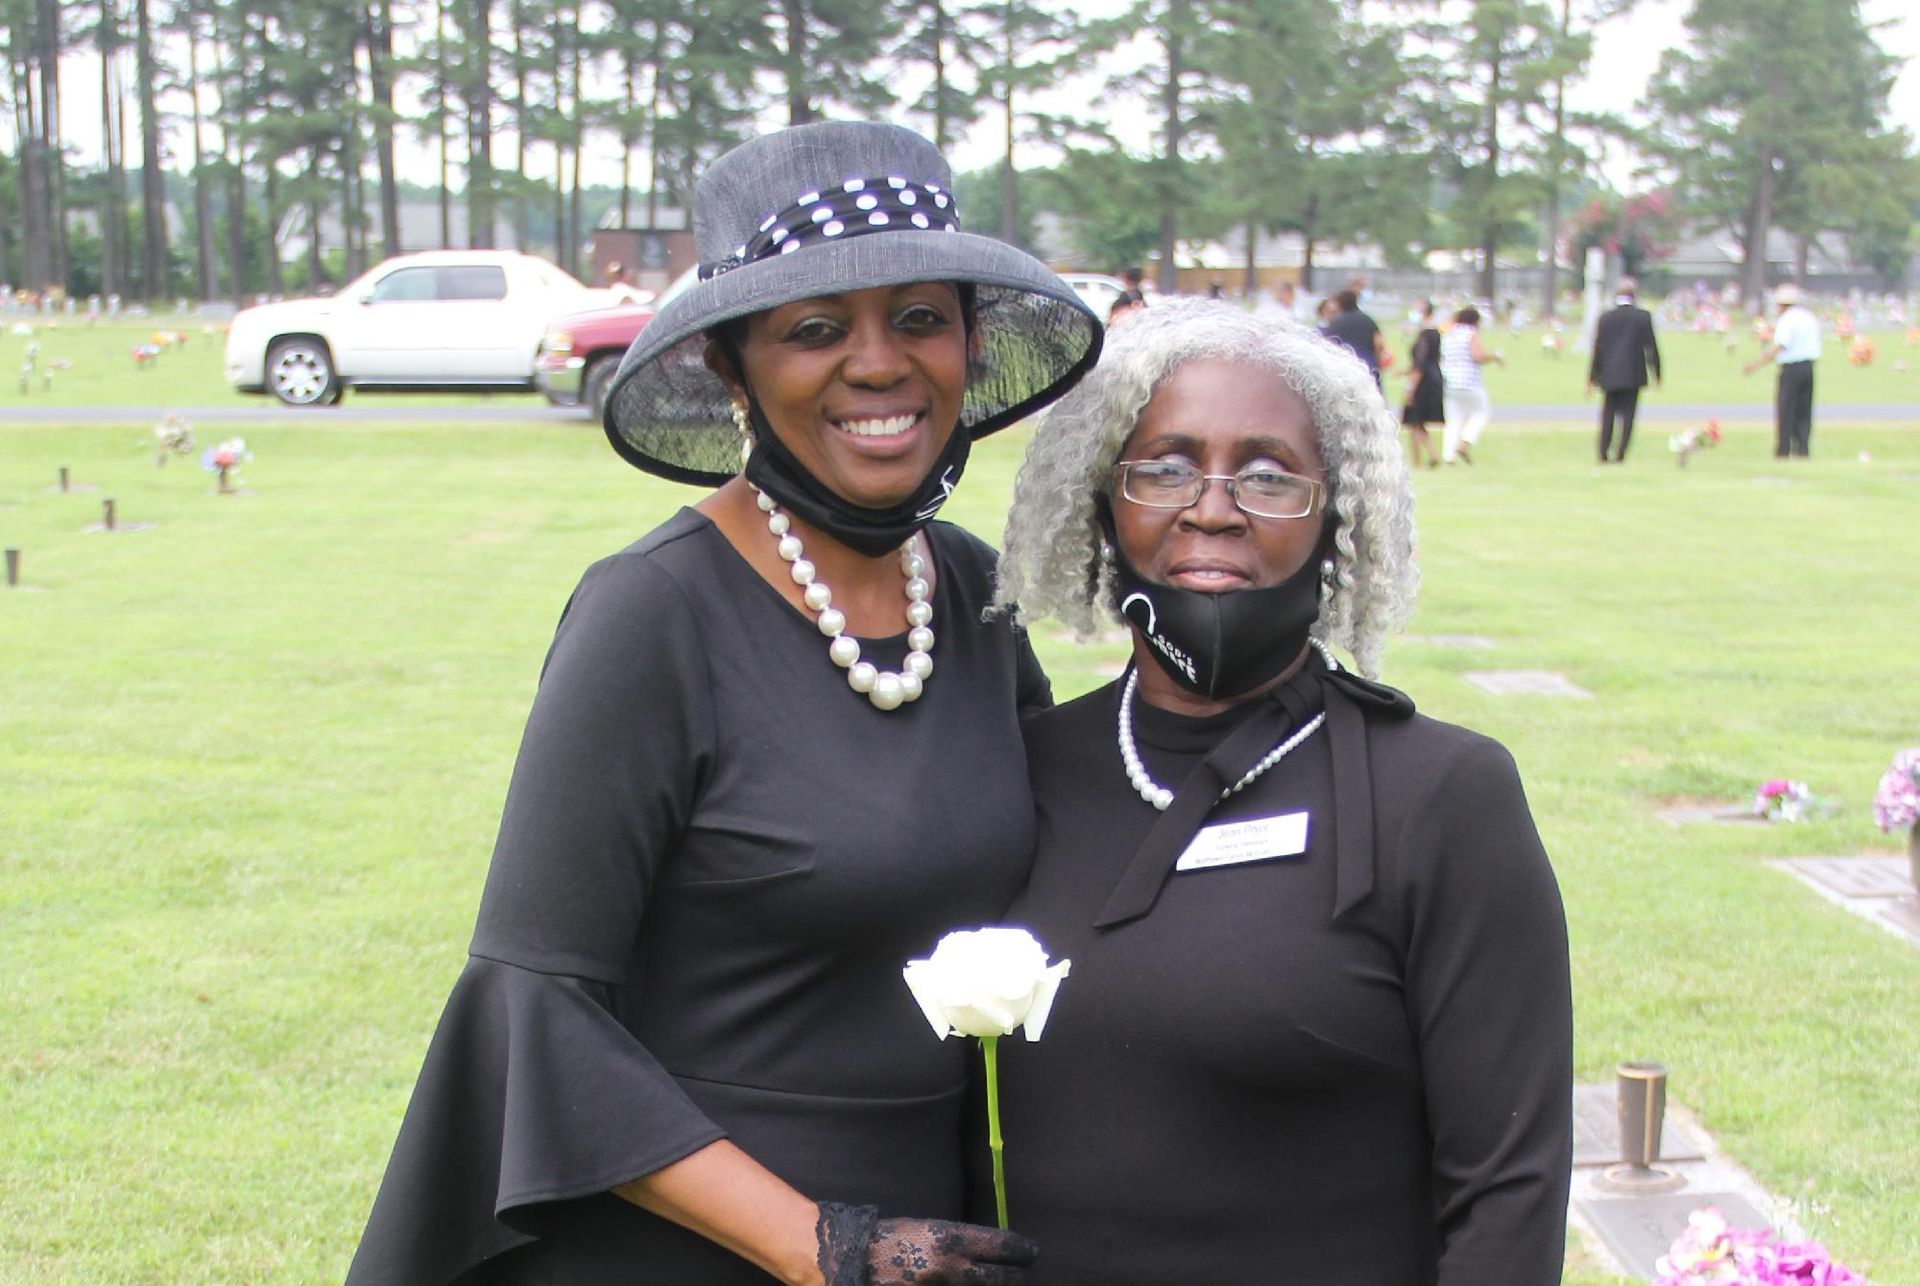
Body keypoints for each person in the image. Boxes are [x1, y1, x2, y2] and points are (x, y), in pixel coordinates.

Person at [345, 121, 1101, 1286]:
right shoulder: (649, 616)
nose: (879, 364)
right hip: (692, 1247)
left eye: (918, 317)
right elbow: (532, 1004)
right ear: (729, 365)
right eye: (813, 330)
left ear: (968, 340)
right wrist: (826, 1247)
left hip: (931, 1239)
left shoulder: (970, 588)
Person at [986, 297, 1572, 1284]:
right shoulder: (1022, 769)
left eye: (1267, 472)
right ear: (1101, 503)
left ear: (1336, 511)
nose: (1212, 504)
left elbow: (1508, 1193)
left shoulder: (1442, 797)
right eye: (1164, 464)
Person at [1588, 275, 1663, 463]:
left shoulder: (1605, 318)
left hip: (1609, 374)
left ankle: (1603, 453)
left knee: (1608, 414)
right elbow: (1651, 348)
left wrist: (1591, 378)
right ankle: (1620, 453)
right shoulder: (1643, 317)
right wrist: (1657, 374)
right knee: (1628, 415)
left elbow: (1598, 349)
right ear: (1634, 295)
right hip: (1633, 373)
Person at [1744, 282, 1821, 457]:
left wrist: (1755, 364)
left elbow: (1780, 345)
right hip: (1809, 367)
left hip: (1791, 368)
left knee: (1786, 409)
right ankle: (1803, 449)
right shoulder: (1808, 317)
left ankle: (1783, 449)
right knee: (1804, 410)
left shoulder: (1787, 319)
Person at [1439, 305, 1503, 464]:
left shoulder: (1448, 334)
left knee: (1453, 420)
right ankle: (1466, 441)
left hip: (1448, 380)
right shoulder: (1470, 333)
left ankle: (1449, 456)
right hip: (1468, 381)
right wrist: (1494, 357)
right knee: (1482, 411)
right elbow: (1478, 356)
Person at [1400, 299, 1445, 468]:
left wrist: (1410, 387)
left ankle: (1418, 460)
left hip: (1422, 380)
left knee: (1414, 419)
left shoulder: (1424, 335)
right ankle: (1431, 453)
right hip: (1433, 377)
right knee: (1418, 422)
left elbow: (1420, 364)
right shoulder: (1435, 333)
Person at [1322, 288, 1389, 388]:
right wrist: (1377, 358)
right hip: (1368, 366)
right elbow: (1378, 342)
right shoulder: (1368, 320)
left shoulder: (1335, 323)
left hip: (1344, 370)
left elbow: (1327, 345)